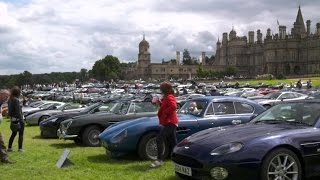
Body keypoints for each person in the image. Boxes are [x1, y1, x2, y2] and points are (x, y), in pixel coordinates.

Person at [151, 82, 178, 168]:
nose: (160, 89)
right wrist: (158, 102)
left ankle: (159, 160)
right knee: (173, 142)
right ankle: (177, 158)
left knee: (159, 139)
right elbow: (165, 106)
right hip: (170, 122)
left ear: (164, 89)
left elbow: (174, 106)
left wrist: (165, 113)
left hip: (171, 122)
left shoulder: (169, 96)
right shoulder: (166, 97)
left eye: (161, 88)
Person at [7, 86, 25, 152]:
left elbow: (10, 111)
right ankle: (20, 149)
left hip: (13, 119)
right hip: (19, 119)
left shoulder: (10, 99)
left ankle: (9, 147)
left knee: (13, 134)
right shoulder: (16, 100)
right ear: (18, 92)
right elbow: (18, 111)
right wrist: (21, 120)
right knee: (21, 134)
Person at [0, 89, 14, 163]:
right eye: (6, 96)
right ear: (1, 94)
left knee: (1, 143)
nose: (7, 98)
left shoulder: (1, 102)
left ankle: (4, 158)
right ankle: (4, 158)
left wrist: (4, 110)